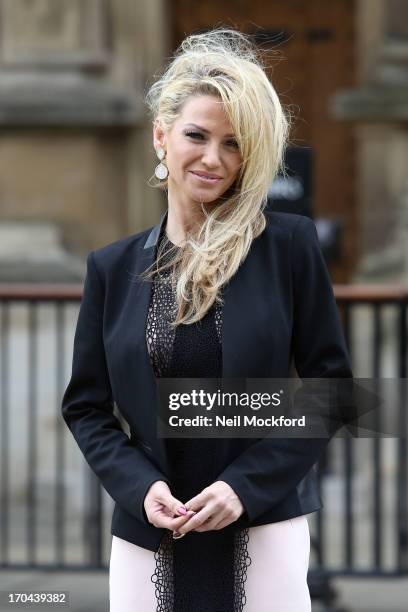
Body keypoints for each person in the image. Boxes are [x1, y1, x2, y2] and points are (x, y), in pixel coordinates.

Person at [61, 28, 353, 612]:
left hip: (264, 527)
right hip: (148, 532)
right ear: (161, 137)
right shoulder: (112, 268)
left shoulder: (289, 247)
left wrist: (242, 488)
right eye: (197, 135)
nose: (214, 158)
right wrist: (140, 489)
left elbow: (332, 391)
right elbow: (86, 406)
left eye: (234, 143)